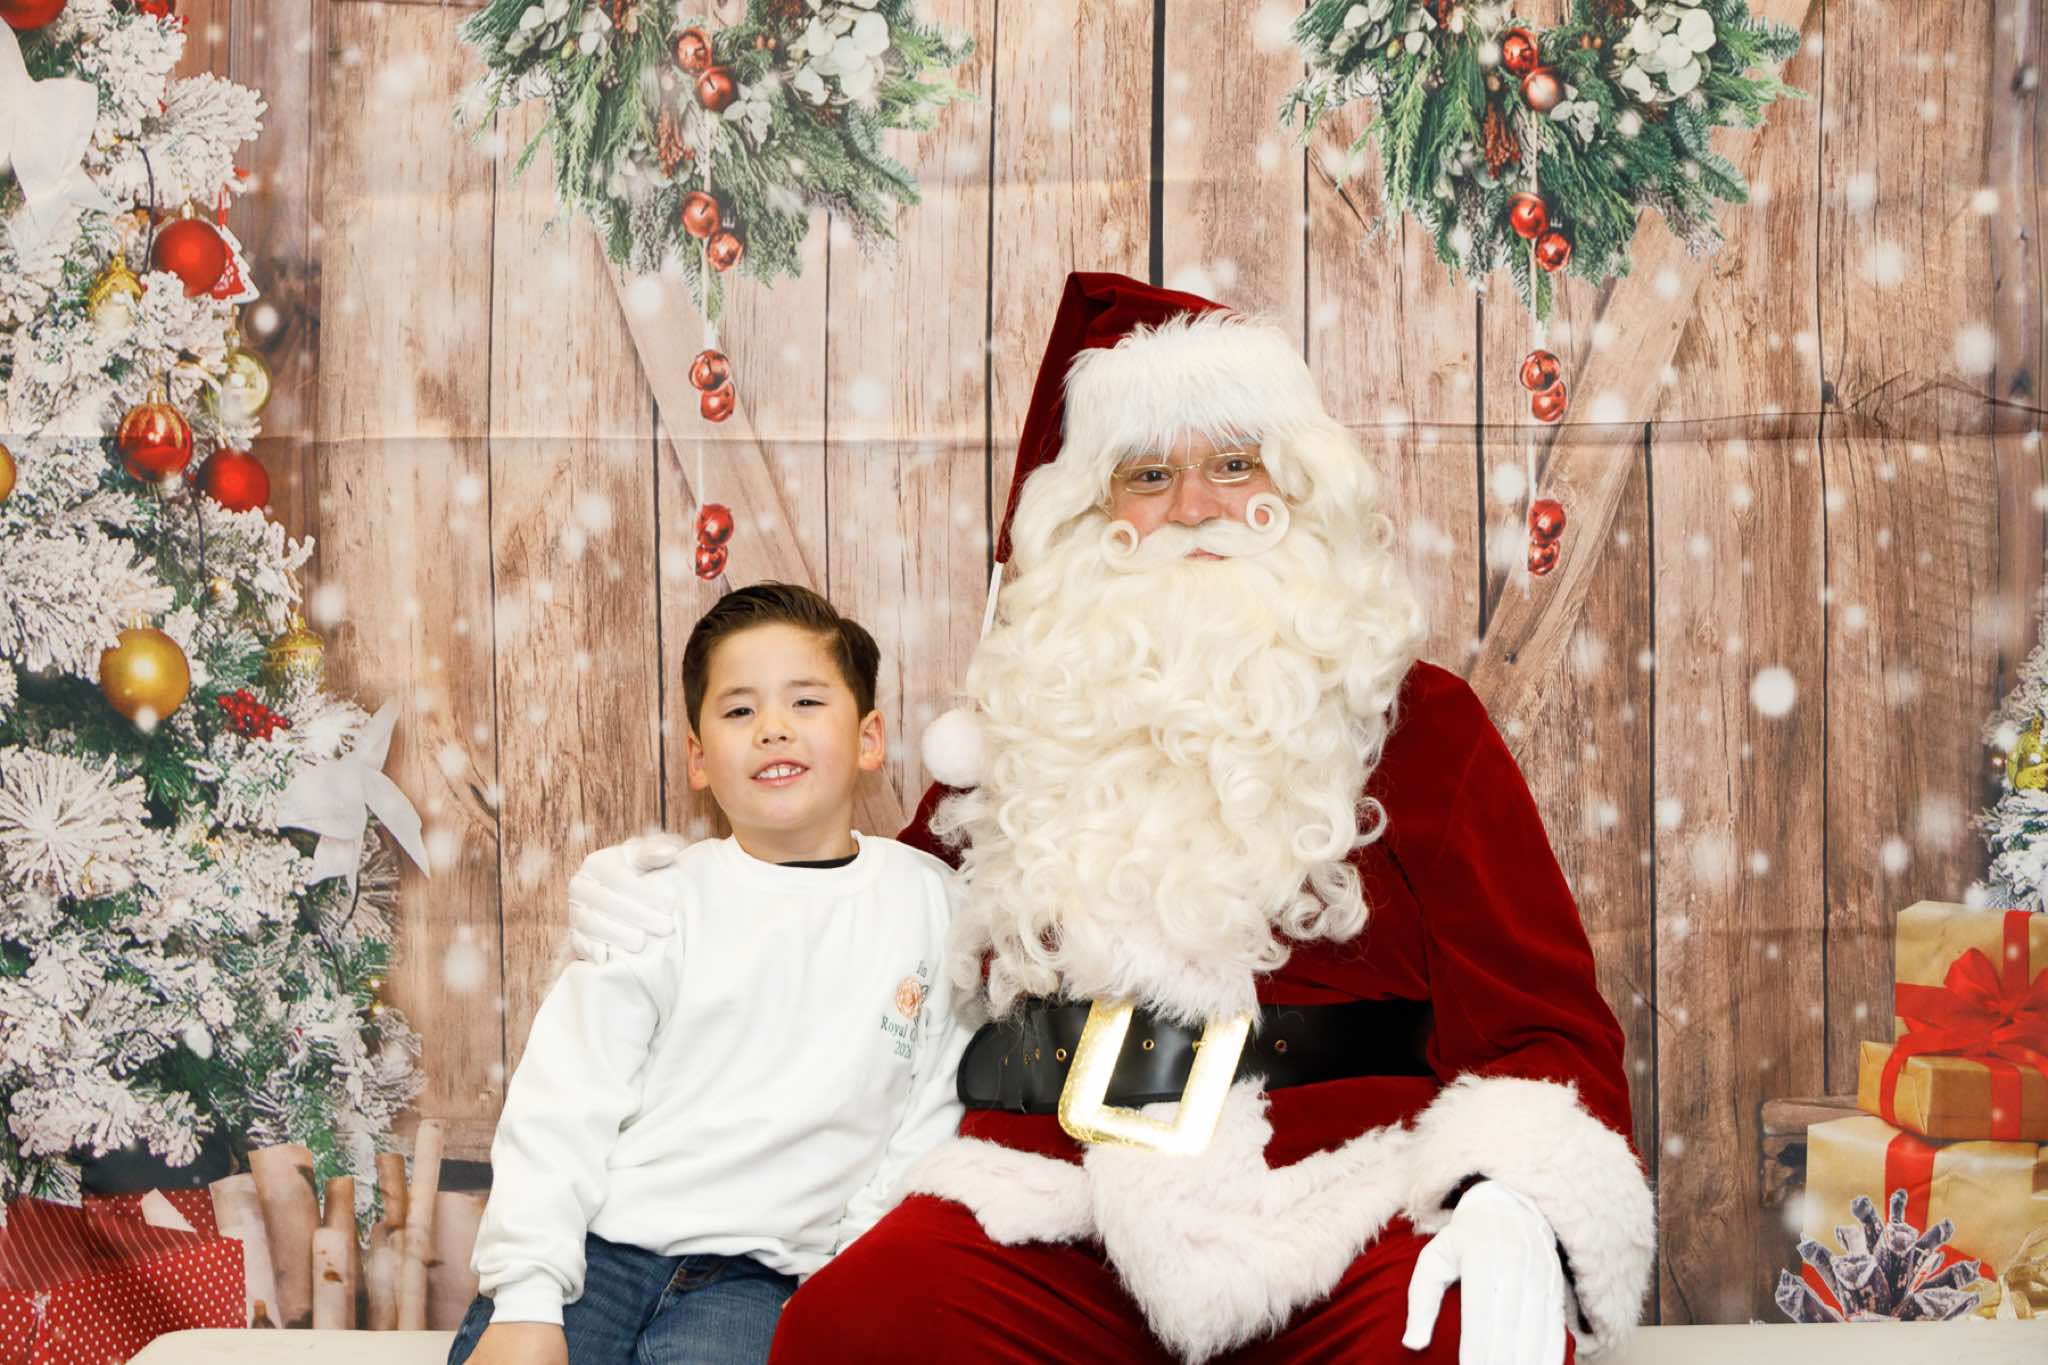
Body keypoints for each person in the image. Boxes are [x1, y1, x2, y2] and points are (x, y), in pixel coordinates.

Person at [569, 274, 1655, 1364]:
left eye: (1233, 463)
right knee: (863, 1325)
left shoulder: (1418, 723)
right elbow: (861, 917)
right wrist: (685, 896)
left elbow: (1541, 1022)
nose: (1194, 507)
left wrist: (1513, 1193)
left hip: (1341, 1199)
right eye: (1149, 474)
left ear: (1298, 485)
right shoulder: (1022, 723)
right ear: (1095, 514)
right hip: (1052, 1205)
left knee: (1457, 1335)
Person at [450, 583, 968, 1365]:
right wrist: (527, 1295)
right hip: (597, 1251)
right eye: (739, 710)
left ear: (870, 738)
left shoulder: (932, 904)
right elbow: (562, 1101)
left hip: (763, 1280)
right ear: (697, 757)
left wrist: (843, 1281)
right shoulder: (654, 899)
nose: (773, 728)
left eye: (805, 701)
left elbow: (928, 1119)